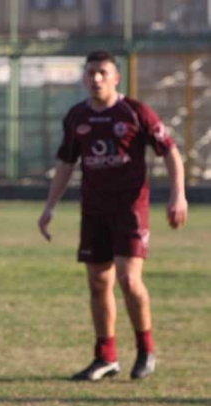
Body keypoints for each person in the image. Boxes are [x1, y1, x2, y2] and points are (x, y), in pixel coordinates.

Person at [38, 50, 187, 381]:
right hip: (94, 210)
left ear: (116, 77)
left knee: (128, 279)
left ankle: (146, 350)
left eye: (103, 72)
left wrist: (178, 194)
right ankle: (105, 357)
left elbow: (170, 151)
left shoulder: (134, 112)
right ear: (84, 78)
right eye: (90, 72)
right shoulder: (77, 117)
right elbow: (66, 164)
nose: (96, 78)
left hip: (130, 210)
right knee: (97, 281)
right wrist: (49, 206)